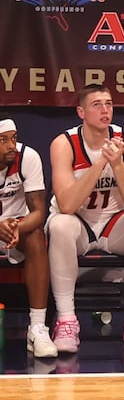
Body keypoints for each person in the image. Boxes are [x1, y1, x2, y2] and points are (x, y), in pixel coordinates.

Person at [45, 84, 124, 355]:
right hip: (79, 223)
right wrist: (100, 163)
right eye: (97, 104)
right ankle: (66, 320)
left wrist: (118, 164)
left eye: (109, 103)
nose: (105, 110)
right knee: (59, 224)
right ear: (81, 112)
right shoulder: (64, 143)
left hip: (115, 223)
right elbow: (67, 205)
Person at [0, 115, 58, 359]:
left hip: (17, 228)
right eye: (3, 140)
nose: (11, 146)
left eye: (14, 138)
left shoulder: (27, 157)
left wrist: (16, 228)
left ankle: (37, 327)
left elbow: (38, 212)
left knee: (36, 235)